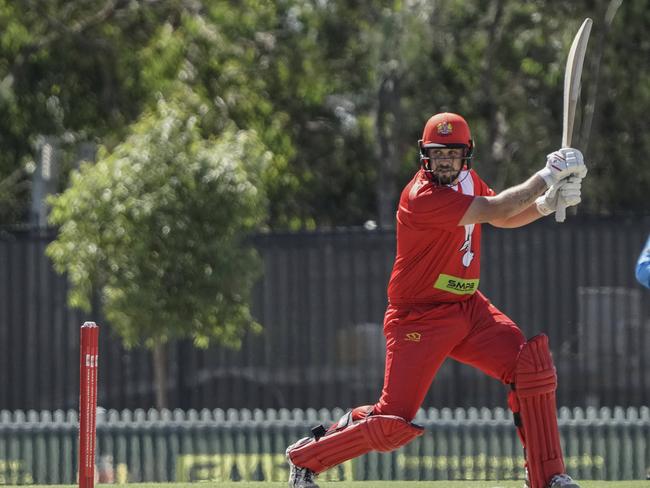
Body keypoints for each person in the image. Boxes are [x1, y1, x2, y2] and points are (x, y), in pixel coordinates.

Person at [285, 112, 587, 488]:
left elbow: (503, 217)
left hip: (468, 308)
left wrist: (545, 204)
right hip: (419, 318)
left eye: (453, 152)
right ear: (424, 155)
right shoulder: (421, 196)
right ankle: (306, 458)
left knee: (531, 368)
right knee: (392, 421)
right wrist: (547, 176)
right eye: (437, 152)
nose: (445, 159)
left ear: (466, 154)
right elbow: (496, 210)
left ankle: (548, 476)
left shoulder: (468, 179)